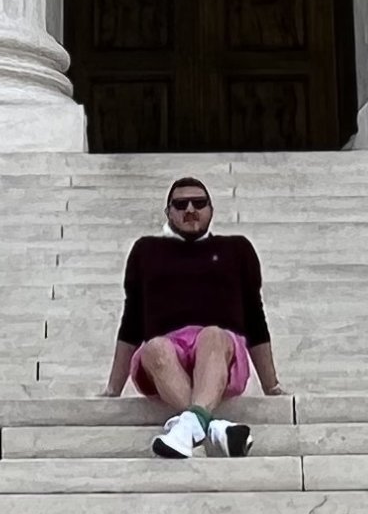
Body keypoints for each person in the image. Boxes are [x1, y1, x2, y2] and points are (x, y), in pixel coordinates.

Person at [111, 176, 279, 458]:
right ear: (168, 212)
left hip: (220, 351)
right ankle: (213, 427)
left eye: (199, 203)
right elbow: (132, 319)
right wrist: (112, 389)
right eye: (180, 204)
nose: (190, 209)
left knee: (212, 334)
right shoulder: (145, 250)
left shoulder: (236, 249)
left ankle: (189, 427)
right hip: (165, 354)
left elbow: (254, 316)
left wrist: (271, 385)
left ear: (211, 209)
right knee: (153, 346)